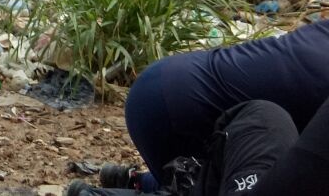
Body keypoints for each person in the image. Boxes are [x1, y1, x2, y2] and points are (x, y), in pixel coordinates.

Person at [70, 18, 329, 194]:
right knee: (204, 185)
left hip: (166, 80)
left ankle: (137, 182)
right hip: (173, 113)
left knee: (258, 142)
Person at [65, 93, 329, 196]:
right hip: (168, 106)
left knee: (267, 117)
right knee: (268, 117)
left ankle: (146, 185)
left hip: (164, 99)